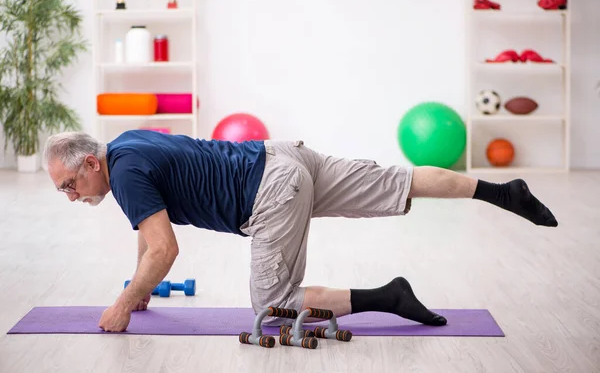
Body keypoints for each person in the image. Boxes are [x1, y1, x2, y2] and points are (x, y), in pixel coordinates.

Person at [43, 130, 558, 332]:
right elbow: (149, 227)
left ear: (90, 163)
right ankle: (501, 192)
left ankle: (390, 296)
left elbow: (164, 246)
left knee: (272, 308)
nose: (71, 195)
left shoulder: (125, 175)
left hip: (270, 192)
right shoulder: (126, 147)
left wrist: (124, 302)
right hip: (283, 156)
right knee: (396, 182)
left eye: (70, 184)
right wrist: (141, 288)